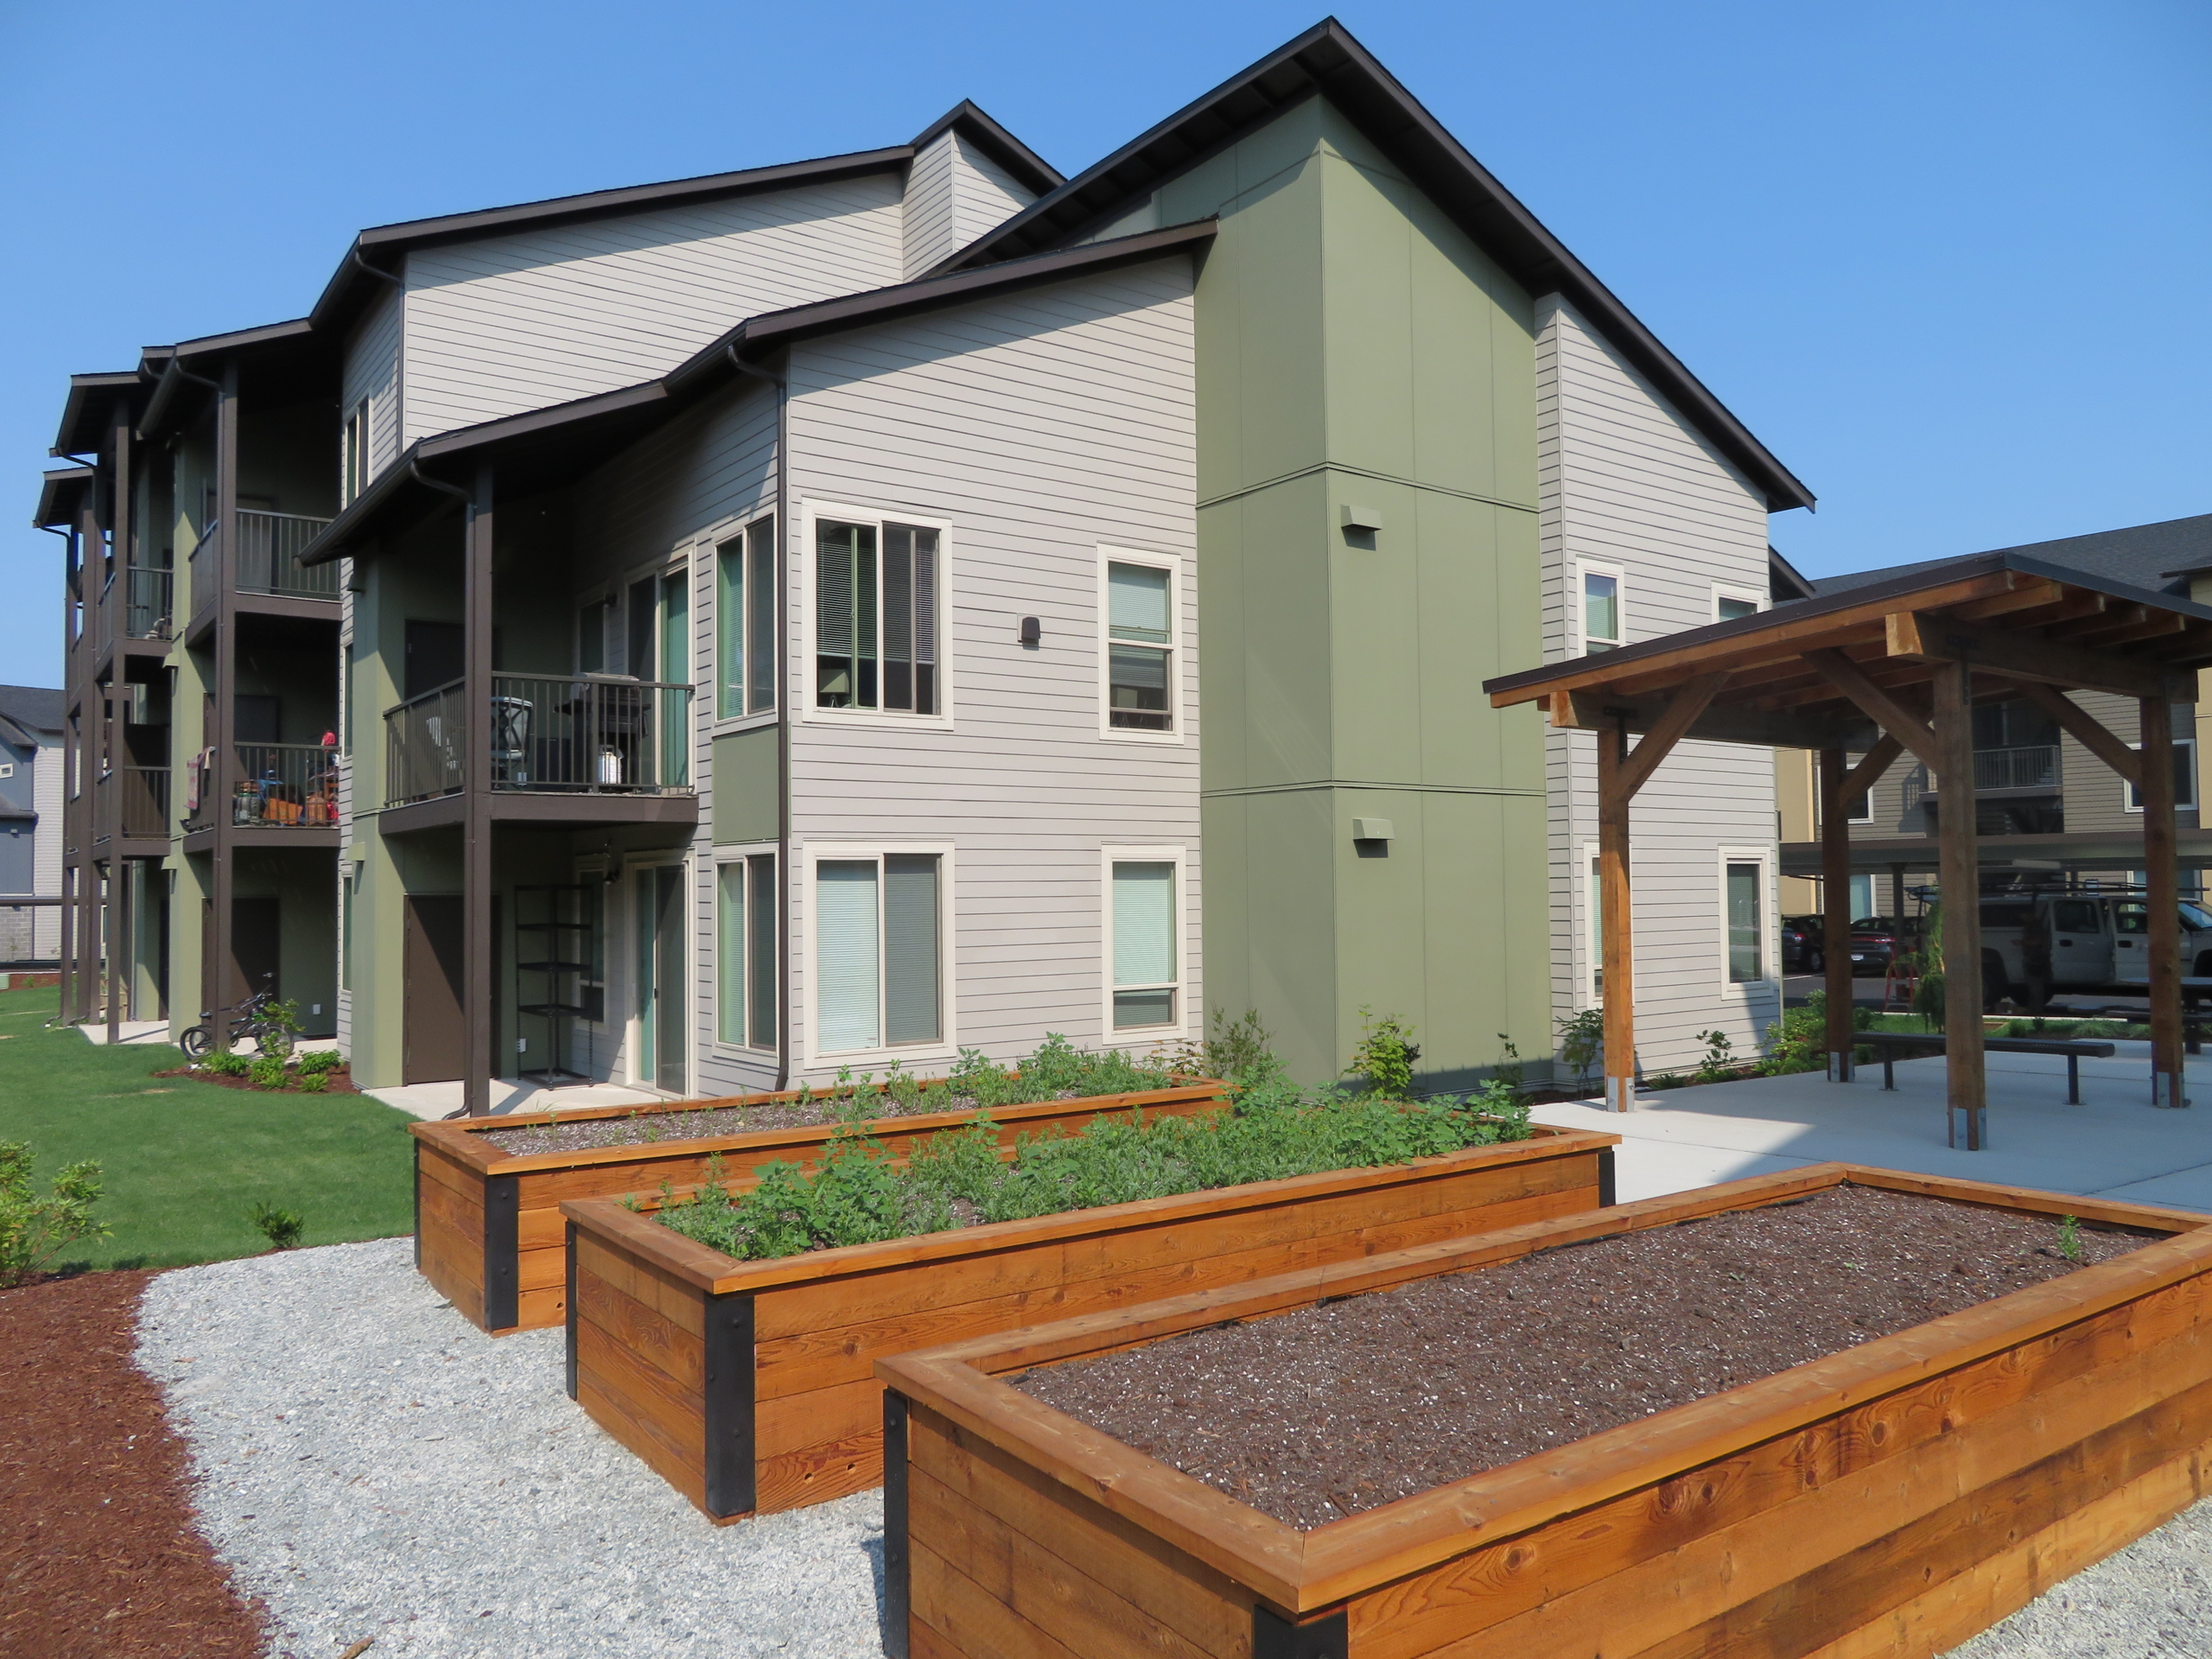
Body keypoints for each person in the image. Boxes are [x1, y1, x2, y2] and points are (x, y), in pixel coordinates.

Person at [2019, 907, 2053, 1015]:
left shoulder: (2035, 926)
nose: (2021, 917)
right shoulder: (2034, 925)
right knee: (2033, 986)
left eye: (2022, 914)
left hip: (2035, 957)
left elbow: (2038, 941)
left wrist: (2023, 942)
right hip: (2034, 957)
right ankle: (2033, 1009)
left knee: (2036, 986)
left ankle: (2036, 1010)